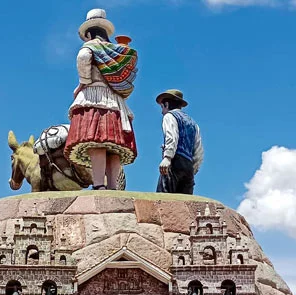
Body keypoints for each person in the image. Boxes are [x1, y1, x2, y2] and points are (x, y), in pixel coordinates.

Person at [64, 9, 138, 191]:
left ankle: (99, 185)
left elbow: (83, 58)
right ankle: (113, 186)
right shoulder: (117, 51)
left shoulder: (91, 47)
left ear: (89, 33)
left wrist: (84, 82)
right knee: (114, 148)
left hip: (94, 97)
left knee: (97, 142)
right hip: (116, 102)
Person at [155, 89, 204, 195]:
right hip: (189, 165)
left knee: (164, 197)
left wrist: (167, 157)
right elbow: (199, 150)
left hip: (175, 161)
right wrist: (193, 169)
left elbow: (172, 136)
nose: (162, 111)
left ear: (166, 104)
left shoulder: (169, 116)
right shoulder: (193, 124)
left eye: (162, 107)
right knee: (186, 200)